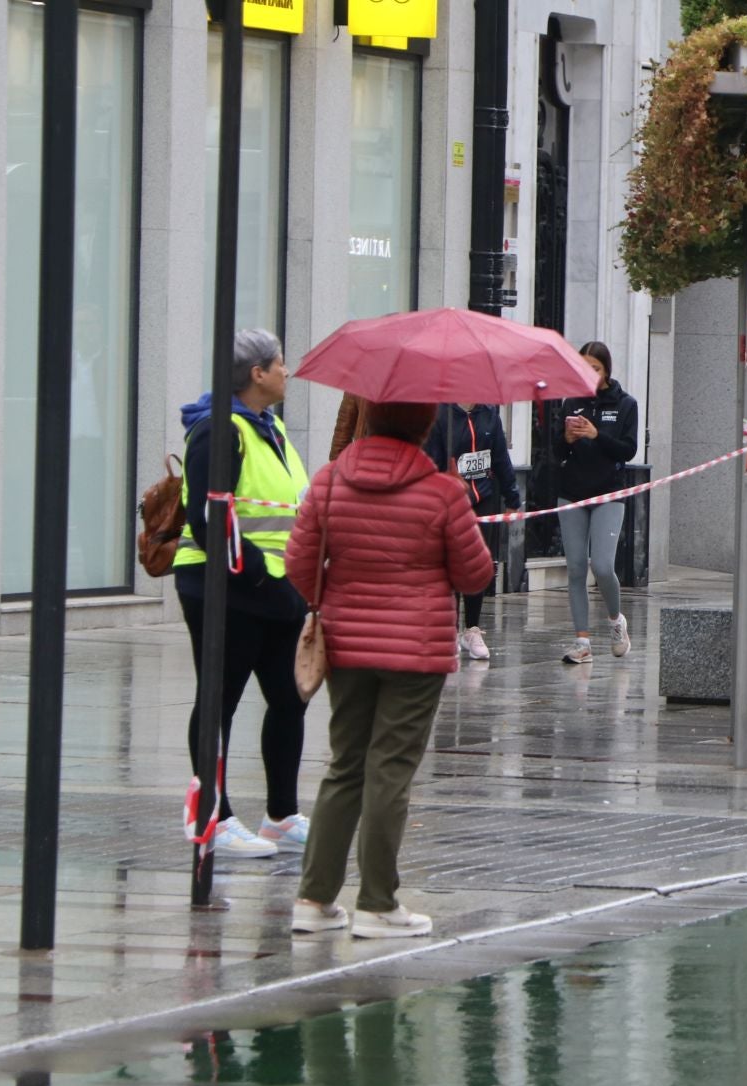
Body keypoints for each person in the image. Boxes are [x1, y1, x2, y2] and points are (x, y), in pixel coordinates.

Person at [287, 401, 495, 939]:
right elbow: (474, 576)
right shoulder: (443, 491)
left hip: (347, 646)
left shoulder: (330, 481)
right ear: (425, 426)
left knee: (345, 765)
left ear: (371, 420)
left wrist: (332, 599)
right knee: (391, 770)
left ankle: (314, 900)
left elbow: (299, 562)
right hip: (415, 650)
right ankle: (377, 903)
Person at [173, 328, 312, 859]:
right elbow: (212, 517)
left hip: (278, 589)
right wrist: (258, 575)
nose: (286, 371)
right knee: (220, 701)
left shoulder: (269, 427)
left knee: (288, 697)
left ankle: (281, 814)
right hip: (225, 589)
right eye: (280, 363)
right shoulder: (218, 431)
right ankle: (216, 816)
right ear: (256, 374)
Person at [553, 341, 640, 664]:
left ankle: (616, 621)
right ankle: (582, 641)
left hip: (609, 493)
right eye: (583, 367)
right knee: (575, 566)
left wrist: (595, 435)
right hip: (572, 492)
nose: (588, 374)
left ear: (606, 371)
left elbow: (627, 450)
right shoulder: (571, 402)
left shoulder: (625, 404)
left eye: (595, 368)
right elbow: (556, 453)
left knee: (602, 565)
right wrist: (567, 439)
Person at [425, 402, 520, 661]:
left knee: (478, 564)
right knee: (452, 563)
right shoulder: (440, 415)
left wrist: (513, 498)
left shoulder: (490, 415)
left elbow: (500, 457)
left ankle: (472, 629)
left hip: (484, 500)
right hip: (450, 500)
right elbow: (429, 459)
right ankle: (450, 630)